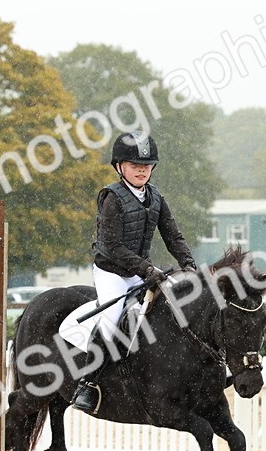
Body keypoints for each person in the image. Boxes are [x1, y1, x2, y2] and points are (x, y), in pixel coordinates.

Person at [63, 130, 198, 414]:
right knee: (112, 319)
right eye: (135, 165)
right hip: (112, 271)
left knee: (173, 309)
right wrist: (147, 269)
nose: (141, 170)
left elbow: (172, 236)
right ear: (119, 166)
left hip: (140, 270)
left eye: (146, 166)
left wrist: (188, 264)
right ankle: (87, 383)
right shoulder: (112, 197)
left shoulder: (156, 197)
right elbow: (113, 246)